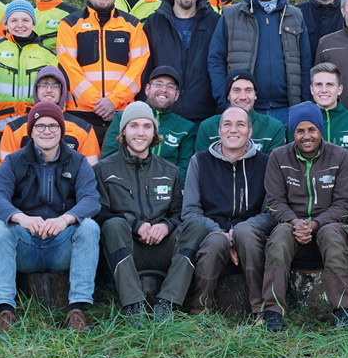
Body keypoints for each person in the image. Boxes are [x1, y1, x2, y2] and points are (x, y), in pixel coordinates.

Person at [0, 102, 103, 332]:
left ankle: (76, 310)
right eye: (40, 126)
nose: (46, 131)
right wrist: (21, 218)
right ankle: (5, 311)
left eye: (52, 126)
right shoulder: (14, 161)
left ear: (61, 130)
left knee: (89, 227)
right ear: (31, 131)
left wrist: (65, 219)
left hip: (61, 245)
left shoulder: (78, 162)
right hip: (25, 245)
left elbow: (91, 199)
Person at [242, 102, 348, 331]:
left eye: (311, 129)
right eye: (300, 130)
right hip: (292, 226)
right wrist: (296, 223)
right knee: (279, 238)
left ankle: (346, 313)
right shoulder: (278, 157)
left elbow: (345, 204)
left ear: (320, 130)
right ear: (292, 133)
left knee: (331, 235)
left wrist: (315, 224)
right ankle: (272, 313)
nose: (306, 136)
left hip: (332, 227)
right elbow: (274, 202)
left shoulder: (340, 156)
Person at [95, 102, 201, 318]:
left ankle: (167, 302)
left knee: (197, 227)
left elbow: (180, 213)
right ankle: (133, 305)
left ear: (154, 132)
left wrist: (165, 225)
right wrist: (135, 225)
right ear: (123, 131)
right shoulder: (104, 169)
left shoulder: (169, 170)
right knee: (113, 224)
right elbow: (98, 213)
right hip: (126, 248)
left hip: (163, 247)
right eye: (133, 126)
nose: (140, 133)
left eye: (147, 126)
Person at [182, 107, 275, 315]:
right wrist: (222, 233)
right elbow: (190, 211)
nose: (234, 130)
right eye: (227, 124)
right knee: (217, 241)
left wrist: (241, 230)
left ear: (250, 131)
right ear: (219, 130)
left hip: (251, 239)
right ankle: (199, 310)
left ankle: (261, 311)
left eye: (240, 124)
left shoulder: (266, 163)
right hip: (211, 238)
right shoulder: (199, 161)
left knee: (245, 233)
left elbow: (271, 211)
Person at [207, 0, 310, 124]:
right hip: (244, 111)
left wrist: (304, 105)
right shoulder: (231, 15)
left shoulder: (295, 15)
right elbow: (215, 60)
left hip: (288, 111)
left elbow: (305, 63)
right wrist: (225, 102)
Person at [56, 0, 150, 139]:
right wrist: (98, 103)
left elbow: (139, 67)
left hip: (120, 113)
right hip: (80, 113)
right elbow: (68, 67)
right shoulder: (69, 24)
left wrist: (113, 102)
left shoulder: (132, 25)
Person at [145, 0, 222, 123]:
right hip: (163, 116)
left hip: (204, 117)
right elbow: (144, 70)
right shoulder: (154, 23)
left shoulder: (215, 23)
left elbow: (221, 67)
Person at [99, 66, 197, 176]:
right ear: (147, 89)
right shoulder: (123, 118)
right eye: (158, 84)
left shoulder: (185, 128)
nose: (163, 90)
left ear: (176, 95)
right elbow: (108, 159)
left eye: (170, 86)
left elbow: (184, 170)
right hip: (126, 187)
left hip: (165, 189)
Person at [0, 0, 58, 134]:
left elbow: (57, 98)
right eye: (14, 20)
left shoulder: (49, 57)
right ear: (5, 24)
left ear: (33, 23)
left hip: (36, 131)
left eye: (26, 20)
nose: (20, 25)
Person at [0, 67, 101, 165]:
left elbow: (90, 172)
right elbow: (6, 172)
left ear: (62, 91)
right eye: (43, 85)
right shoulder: (14, 129)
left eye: (55, 86)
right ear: (36, 90)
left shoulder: (84, 129)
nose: (49, 90)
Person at [193, 71, 290, 153]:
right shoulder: (207, 127)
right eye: (236, 90)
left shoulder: (274, 128)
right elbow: (202, 167)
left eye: (248, 90)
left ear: (255, 95)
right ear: (228, 95)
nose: (243, 97)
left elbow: (274, 169)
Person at [308, 62, 348, 159]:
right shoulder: (300, 123)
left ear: (339, 89)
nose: (324, 90)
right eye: (319, 84)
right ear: (312, 90)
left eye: (330, 85)